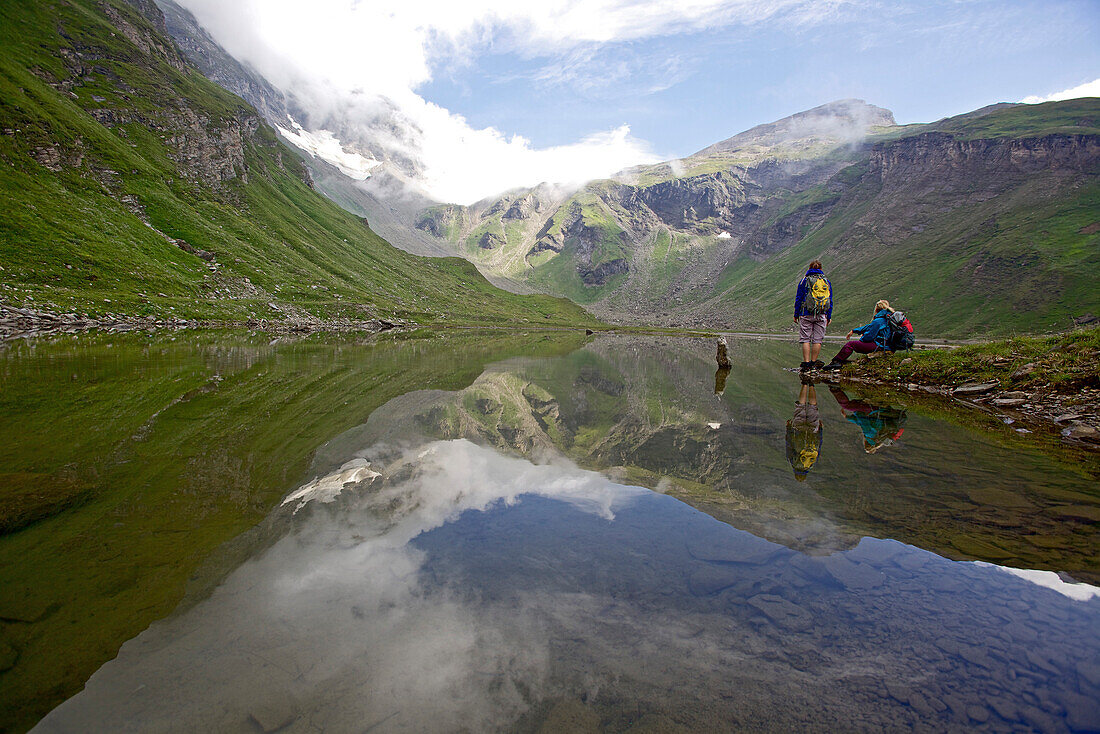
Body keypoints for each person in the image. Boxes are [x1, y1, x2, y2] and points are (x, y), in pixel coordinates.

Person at [828, 385, 907, 453]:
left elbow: (861, 422)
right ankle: (834, 388)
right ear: (865, 443)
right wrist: (848, 417)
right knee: (847, 406)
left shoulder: (877, 437)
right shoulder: (869, 435)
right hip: (874, 410)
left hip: (879, 412)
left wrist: (849, 418)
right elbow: (863, 421)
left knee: (854, 406)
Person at [821, 299, 894, 370]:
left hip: (880, 345)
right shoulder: (887, 319)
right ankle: (837, 361)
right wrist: (855, 331)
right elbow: (868, 327)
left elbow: (868, 337)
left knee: (851, 344)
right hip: (887, 345)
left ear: (877, 309)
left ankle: (837, 362)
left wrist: (861, 339)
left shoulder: (878, 321)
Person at [793, 260, 832, 372]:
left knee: (805, 339)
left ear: (809, 268)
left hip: (806, 314)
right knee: (817, 340)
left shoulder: (804, 281)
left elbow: (798, 299)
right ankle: (814, 363)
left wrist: (796, 314)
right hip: (821, 314)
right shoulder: (826, 282)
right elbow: (830, 300)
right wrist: (828, 316)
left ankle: (806, 363)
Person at [785, 375, 823, 481]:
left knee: (813, 407)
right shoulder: (792, 461)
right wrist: (788, 429)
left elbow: (819, 446)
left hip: (813, 433)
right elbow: (789, 444)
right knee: (800, 406)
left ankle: (811, 384)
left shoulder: (811, 464)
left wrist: (820, 430)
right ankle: (805, 382)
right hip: (798, 431)